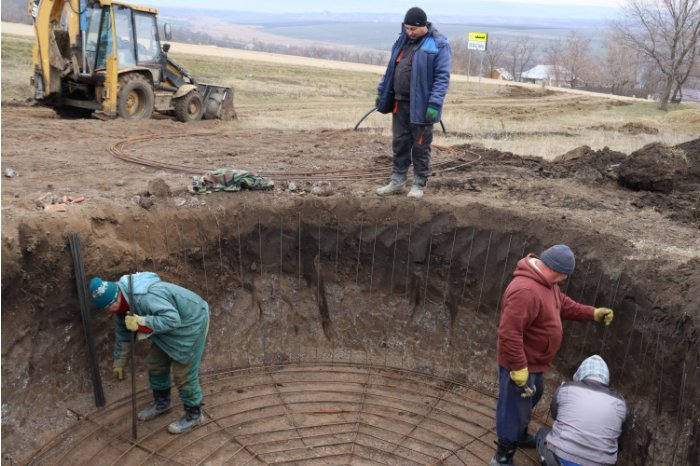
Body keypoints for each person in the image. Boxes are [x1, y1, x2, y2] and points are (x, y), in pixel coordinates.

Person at [490, 244, 615, 466]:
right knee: (512, 408)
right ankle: (503, 455)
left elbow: (562, 305)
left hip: (535, 363)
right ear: (557, 270)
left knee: (531, 399)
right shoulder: (525, 291)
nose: (564, 279)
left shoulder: (547, 284)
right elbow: (509, 332)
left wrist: (592, 313)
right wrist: (517, 366)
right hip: (521, 364)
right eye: (564, 275)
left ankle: (518, 435)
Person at [90, 272, 209, 434]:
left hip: (191, 321)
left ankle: (195, 414)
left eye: (110, 305)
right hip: (167, 326)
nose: (109, 310)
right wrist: (119, 362)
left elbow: (172, 320)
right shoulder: (120, 306)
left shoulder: (145, 297)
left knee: (183, 373)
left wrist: (141, 322)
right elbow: (123, 335)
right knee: (155, 363)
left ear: (118, 295)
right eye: (106, 308)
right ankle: (163, 403)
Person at [375, 6, 451, 199]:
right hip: (399, 104)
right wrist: (382, 92)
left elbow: (442, 78)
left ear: (423, 26)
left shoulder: (438, 44)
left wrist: (434, 104)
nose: (409, 32)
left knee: (420, 146)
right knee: (399, 144)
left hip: (423, 107)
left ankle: (418, 183)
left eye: (413, 29)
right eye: (406, 28)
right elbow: (390, 70)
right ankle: (398, 181)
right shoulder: (402, 41)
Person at [535, 355, 628, 466]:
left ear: (581, 372)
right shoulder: (621, 403)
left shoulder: (566, 388)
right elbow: (620, 439)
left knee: (542, 434)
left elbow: (555, 414)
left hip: (559, 458)